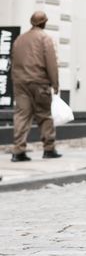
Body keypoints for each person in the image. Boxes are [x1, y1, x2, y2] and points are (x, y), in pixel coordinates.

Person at [10, 11, 61, 161]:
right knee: (44, 115)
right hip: (39, 82)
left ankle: (18, 151)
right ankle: (49, 149)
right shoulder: (45, 38)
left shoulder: (19, 39)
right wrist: (55, 83)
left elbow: (13, 61)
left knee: (21, 115)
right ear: (44, 22)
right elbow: (51, 63)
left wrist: (16, 80)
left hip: (20, 83)